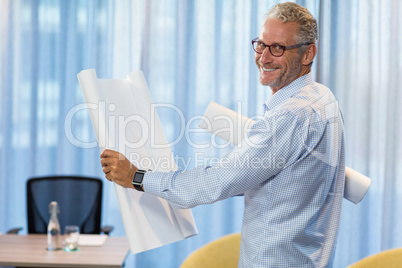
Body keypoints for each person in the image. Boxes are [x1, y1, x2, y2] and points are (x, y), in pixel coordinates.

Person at [101, 2, 345, 267]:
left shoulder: (291, 115)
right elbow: (288, 181)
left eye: (278, 48)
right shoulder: (323, 99)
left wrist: (136, 177)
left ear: (308, 54)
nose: (263, 58)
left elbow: (216, 183)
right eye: (261, 44)